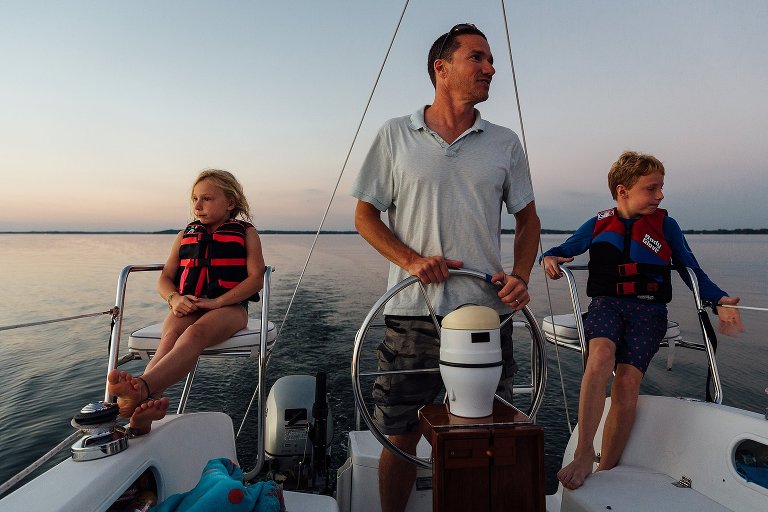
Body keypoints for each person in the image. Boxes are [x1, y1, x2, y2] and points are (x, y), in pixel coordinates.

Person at [352, 24, 541, 512]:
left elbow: (528, 220)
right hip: (413, 311)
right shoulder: (395, 135)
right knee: (401, 431)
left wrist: (521, 275)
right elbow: (364, 216)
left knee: (486, 430)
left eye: (490, 60)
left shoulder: (505, 143)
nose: (490, 68)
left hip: (487, 314)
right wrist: (412, 261)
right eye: (477, 58)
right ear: (442, 67)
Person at [541, 151, 744, 490]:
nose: (660, 196)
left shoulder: (667, 225)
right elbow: (564, 248)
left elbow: (692, 269)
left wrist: (719, 299)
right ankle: (583, 451)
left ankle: (606, 468)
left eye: (661, 188)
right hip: (607, 305)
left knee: (626, 383)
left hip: (649, 312)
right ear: (624, 190)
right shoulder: (597, 224)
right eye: (652, 189)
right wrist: (549, 258)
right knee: (601, 357)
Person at [108, 169, 265, 435]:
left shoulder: (246, 233)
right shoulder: (185, 235)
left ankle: (143, 389)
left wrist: (217, 303)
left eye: (207, 198)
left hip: (231, 308)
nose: (197, 206)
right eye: (194, 199)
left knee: (195, 334)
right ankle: (140, 413)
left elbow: (255, 279)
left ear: (230, 202)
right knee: (169, 337)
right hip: (189, 303)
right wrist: (174, 298)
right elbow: (166, 279)